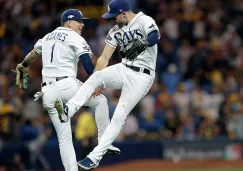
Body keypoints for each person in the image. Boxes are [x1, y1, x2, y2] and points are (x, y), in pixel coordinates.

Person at [55, 0, 160, 169]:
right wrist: (96, 81)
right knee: (95, 78)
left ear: (124, 13)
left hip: (142, 76)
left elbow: (154, 36)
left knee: (120, 113)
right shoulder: (115, 30)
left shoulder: (144, 20)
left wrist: (145, 43)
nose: (112, 20)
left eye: (114, 17)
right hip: (124, 68)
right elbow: (104, 58)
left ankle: (94, 158)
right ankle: (69, 110)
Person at [15, 9, 120, 171]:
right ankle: (103, 140)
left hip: (48, 93)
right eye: (79, 21)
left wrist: (23, 65)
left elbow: (32, 54)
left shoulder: (47, 37)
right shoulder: (74, 36)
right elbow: (85, 60)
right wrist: (94, 83)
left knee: (64, 138)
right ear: (69, 22)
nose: (82, 24)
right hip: (67, 86)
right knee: (101, 101)